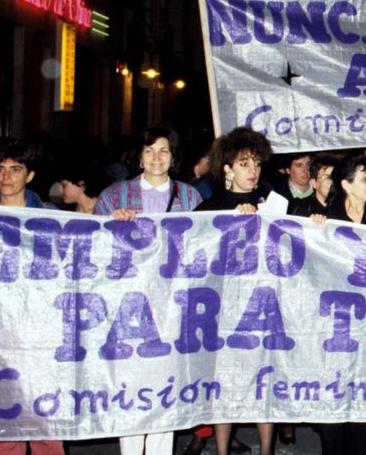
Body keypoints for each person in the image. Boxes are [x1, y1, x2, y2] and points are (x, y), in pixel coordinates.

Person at [194, 127, 275, 455]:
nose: (253, 171)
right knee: (223, 381)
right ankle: (222, 450)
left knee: (264, 378)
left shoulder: (271, 203)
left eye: (256, 164)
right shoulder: (210, 207)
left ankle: (266, 449)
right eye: (244, 164)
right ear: (227, 168)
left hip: (263, 305)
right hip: (224, 308)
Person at [0, 142, 62, 455]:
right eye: (0, 169)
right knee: (2, 408)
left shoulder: (50, 216)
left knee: (43, 407)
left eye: (15, 169)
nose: (6, 176)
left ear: (30, 175)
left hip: (38, 325)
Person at [95, 125, 203, 220]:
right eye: (149, 151)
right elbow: (96, 235)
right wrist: (110, 222)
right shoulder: (113, 195)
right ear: (140, 157)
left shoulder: (190, 196)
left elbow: (202, 237)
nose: (156, 157)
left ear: (173, 158)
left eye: (164, 151)